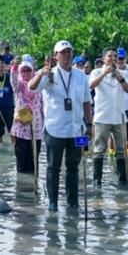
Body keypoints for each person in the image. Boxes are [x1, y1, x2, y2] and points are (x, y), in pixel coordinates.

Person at [29, 40, 93, 211]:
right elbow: (32, 87)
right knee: (53, 168)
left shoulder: (81, 75)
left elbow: (87, 101)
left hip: (76, 129)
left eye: (69, 52)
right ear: (55, 56)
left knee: (73, 168)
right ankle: (53, 203)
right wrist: (41, 73)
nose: (66, 55)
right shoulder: (49, 74)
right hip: (54, 129)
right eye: (62, 52)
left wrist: (90, 124)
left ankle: (72, 202)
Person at [89, 48, 128, 188]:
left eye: (115, 56)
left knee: (121, 149)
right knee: (99, 149)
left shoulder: (123, 72)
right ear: (103, 58)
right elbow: (91, 85)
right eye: (109, 56)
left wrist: (121, 78)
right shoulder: (96, 72)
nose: (113, 58)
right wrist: (104, 73)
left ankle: (123, 181)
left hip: (119, 117)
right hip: (102, 117)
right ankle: (97, 182)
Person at [9, 60, 43, 173]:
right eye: (23, 70)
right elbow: (13, 80)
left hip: (36, 129)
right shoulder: (18, 86)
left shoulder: (38, 86)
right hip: (21, 129)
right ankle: (22, 188)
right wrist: (14, 67)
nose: (26, 73)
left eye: (28, 70)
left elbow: (42, 105)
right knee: (22, 164)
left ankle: (34, 188)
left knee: (34, 163)